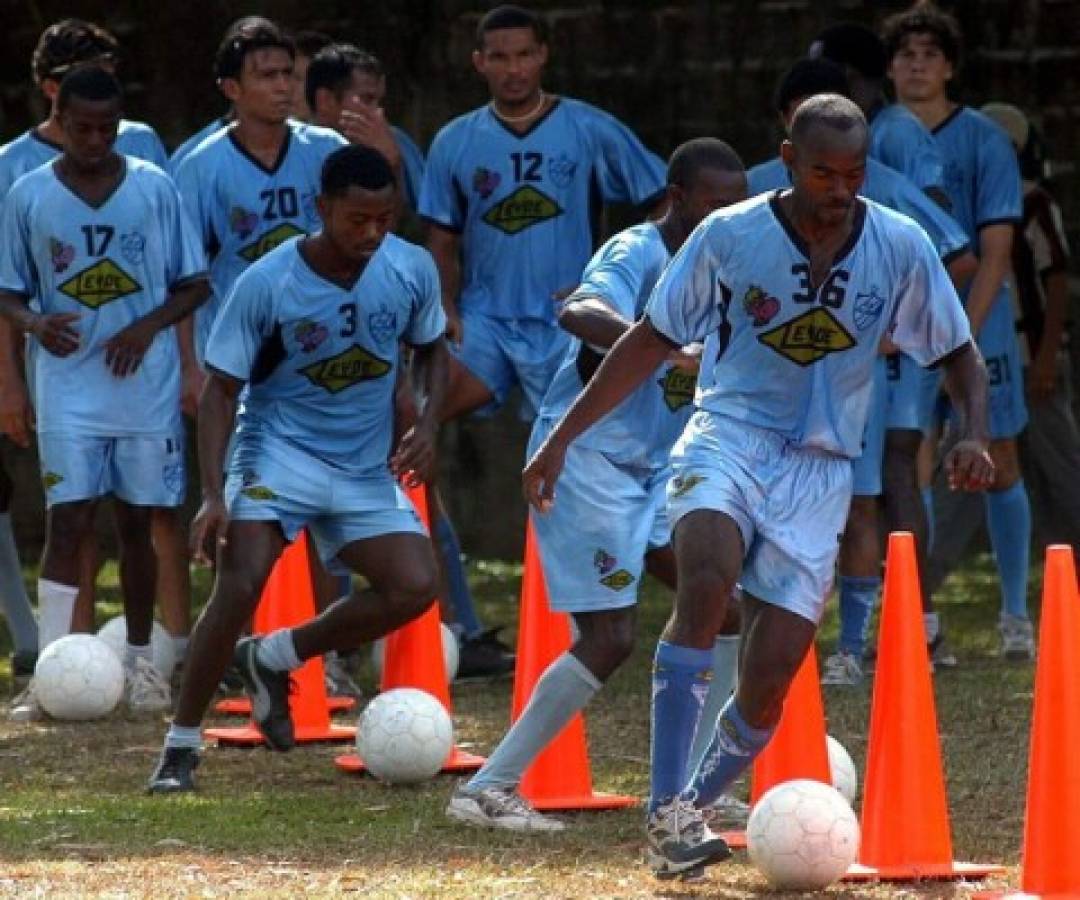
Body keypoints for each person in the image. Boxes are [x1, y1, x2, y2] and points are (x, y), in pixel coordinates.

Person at [523, 95, 992, 877]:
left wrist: (973, 430)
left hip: (821, 468)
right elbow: (648, 342)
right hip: (727, 436)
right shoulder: (729, 236)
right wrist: (560, 441)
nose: (839, 188)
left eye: (852, 174)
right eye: (821, 171)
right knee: (705, 582)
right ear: (786, 159)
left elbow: (960, 354)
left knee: (770, 680)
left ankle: (693, 812)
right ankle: (665, 805)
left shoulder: (899, 245)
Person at [447, 138, 749, 833]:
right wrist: (667, 347)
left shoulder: (734, 264)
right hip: (589, 459)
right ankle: (486, 788)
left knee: (725, 605)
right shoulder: (636, 252)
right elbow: (578, 312)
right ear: (677, 200)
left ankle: (700, 791)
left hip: (662, 464)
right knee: (610, 635)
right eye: (715, 206)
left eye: (739, 206)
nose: (729, 219)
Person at [147, 144, 449, 794]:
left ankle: (276, 655)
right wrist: (213, 494)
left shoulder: (410, 268)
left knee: (415, 585)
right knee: (241, 581)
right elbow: (221, 390)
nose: (371, 233)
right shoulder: (268, 283)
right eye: (356, 220)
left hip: (363, 466)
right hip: (276, 453)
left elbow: (430, 351)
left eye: (384, 219)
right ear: (322, 209)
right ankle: (179, 746)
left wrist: (426, 423)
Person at [747, 57, 975, 685]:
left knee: (862, 500)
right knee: (758, 508)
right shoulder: (752, 193)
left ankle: (855, 642)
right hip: (769, 386)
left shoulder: (886, 194)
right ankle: (762, 634)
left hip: (853, 382)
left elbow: (956, 258)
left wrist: (893, 336)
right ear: (786, 137)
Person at [0, 66, 209, 716]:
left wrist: (145, 329)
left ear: (119, 125)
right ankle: (54, 670)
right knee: (70, 520)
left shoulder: (153, 188)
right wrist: (35, 322)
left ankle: (145, 663)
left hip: (142, 383)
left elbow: (195, 282)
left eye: (105, 129)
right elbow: (6, 287)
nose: (93, 140)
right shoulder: (28, 194)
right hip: (67, 382)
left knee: (140, 517)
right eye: (80, 128)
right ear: (58, 121)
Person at [810, 22, 974, 666]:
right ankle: (894, 619)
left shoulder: (896, 134)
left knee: (897, 469)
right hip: (855, 339)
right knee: (874, 478)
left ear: (855, 80)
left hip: (893, 340)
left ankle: (920, 620)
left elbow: (937, 233)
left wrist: (904, 323)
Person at [420, 4, 666, 422]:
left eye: (524, 55)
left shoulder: (590, 129)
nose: (513, 69)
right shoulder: (454, 141)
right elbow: (441, 242)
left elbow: (665, 203)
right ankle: (407, 490)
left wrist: (616, 279)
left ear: (543, 55)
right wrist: (445, 305)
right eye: (499, 57)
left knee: (575, 442)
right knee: (417, 410)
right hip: (487, 319)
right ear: (479, 62)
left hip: (566, 318)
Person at [884, 1, 1033, 659]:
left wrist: (959, 335)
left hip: (979, 324)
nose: (918, 66)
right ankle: (925, 617)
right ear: (889, 68)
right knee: (907, 458)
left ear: (949, 67)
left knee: (997, 459)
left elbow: (996, 248)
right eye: (906, 55)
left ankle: (1013, 615)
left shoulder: (984, 139)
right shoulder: (873, 136)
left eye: (930, 55)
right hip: (900, 331)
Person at [927, 104, 1080, 611]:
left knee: (1060, 469)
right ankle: (925, 582)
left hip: (1031, 356)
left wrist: (1042, 356)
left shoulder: (1035, 204)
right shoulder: (967, 207)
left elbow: (1055, 281)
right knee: (974, 472)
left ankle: (1065, 569)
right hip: (993, 355)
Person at [172, 18, 345, 361]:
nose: (284, 87)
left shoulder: (328, 150)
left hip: (322, 338)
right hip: (238, 348)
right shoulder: (200, 167)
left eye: (289, 74)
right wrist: (189, 370)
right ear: (232, 89)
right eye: (268, 76)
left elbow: (368, 240)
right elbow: (184, 276)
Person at [305, 43, 426, 211]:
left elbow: (418, 224)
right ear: (325, 100)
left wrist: (393, 166)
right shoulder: (295, 152)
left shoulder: (398, 142)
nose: (377, 113)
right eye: (367, 99)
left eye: (379, 101)